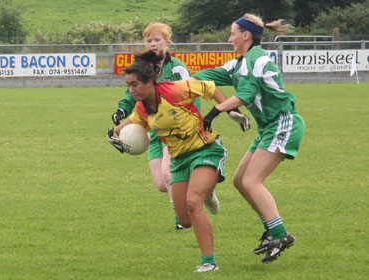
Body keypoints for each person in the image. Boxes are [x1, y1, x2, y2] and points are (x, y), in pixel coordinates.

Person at [111, 22, 249, 230]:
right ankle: (202, 191)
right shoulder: (143, 70)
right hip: (153, 130)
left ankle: (183, 217)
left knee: (168, 174)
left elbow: (195, 93)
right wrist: (121, 115)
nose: (152, 44)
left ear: (167, 42)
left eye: (157, 40)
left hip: (177, 130)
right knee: (160, 184)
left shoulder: (177, 69)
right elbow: (132, 96)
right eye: (148, 40)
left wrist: (194, 123)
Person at [193, 13, 305, 263]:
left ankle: (280, 234)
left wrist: (215, 111)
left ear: (245, 35)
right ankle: (273, 230)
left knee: (252, 181)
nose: (229, 38)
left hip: (283, 123)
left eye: (233, 33)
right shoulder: (239, 63)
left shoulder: (258, 59)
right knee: (240, 180)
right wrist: (180, 82)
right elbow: (208, 75)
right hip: (268, 127)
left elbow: (244, 95)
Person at [107, 50, 232, 272]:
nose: (131, 90)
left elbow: (210, 88)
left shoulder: (175, 90)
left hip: (205, 149)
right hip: (179, 159)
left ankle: (209, 262)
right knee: (184, 220)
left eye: (135, 84)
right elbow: (132, 122)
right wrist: (115, 134)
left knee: (194, 202)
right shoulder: (141, 107)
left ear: (150, 82)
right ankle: (207, 192)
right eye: (128, 85)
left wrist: (229, 111)